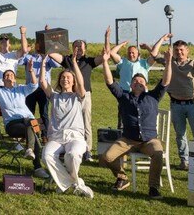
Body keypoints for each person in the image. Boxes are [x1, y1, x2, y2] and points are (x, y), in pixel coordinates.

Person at [99, 36, 174, 199]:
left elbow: (166, 81)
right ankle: (122, 176)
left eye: (141, 81)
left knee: (158, 153)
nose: (138, 82)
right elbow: (110, 81)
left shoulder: (154, 96)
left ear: (146, 84)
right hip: (127, 140)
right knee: (106, 157)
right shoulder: (124, 97)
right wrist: (105, 61)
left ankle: (153, 187)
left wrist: (168, 63)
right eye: (135, 81)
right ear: (131, 85)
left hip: (149, 140)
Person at [151, 40, 194, 170]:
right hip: (176, 104)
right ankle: (184, 161)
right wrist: (163, 39)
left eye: (182, 50)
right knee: (180, 135)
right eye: (176, 50)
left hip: (193, 104)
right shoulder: (169, 62)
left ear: (187, 50)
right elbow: (154, 53)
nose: (179, 52)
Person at [0, 61, 46, 179]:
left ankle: (32, 153)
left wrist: (31, 71)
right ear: (3, 80)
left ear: (15, 79)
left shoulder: (21, 89)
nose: (9, 77)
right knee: (34, 128)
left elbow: (34, 85)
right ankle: (37, 166)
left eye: (11, 75)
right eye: (6, 76)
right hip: (13, 125)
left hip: (28, 122)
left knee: (32, 125)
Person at [49, 30, 107, 163]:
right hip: (69, 96)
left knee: (86, 122)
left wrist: (106, 38)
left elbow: (104, 57)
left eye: (81, 47)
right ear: (72, 48)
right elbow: (51, 53)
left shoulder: (89, 61)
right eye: (76, 46)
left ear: (85, 49)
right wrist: (49, 35)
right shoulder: (67, 59)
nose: (78, 49)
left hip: (84, 94)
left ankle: (87, 150)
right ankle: (66, 146)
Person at [40, 66, 93, 198]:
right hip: (57, 137)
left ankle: (66, 183)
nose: (65, 79)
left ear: (73, 81)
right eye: (63, 77)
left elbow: (81, 83)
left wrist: (74, 63)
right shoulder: (54, 96)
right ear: (59, 80)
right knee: (46, 155)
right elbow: (42, 82)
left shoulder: (78, 96)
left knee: (73, 154)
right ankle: (75, 183)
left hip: (75, 136)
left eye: (68, 77)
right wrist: (43, 63)